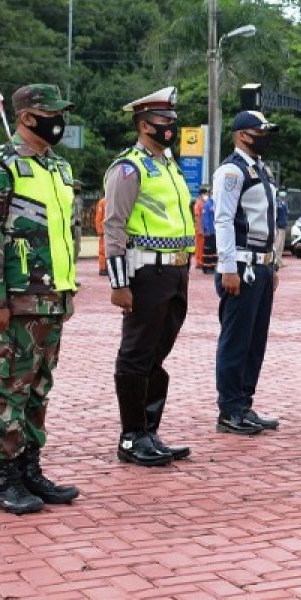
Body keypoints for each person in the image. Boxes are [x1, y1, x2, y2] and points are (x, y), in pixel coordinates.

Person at [0, 83, 80, 514]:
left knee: (38, 388)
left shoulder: (58, 169)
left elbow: (66, 233)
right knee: (8, 388)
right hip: (16, 301)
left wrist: (68, 290)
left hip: (51, 298)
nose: (58, 121)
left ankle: (30, 470)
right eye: (50, 114)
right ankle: (5, 480)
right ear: (26, 117)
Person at [103, 87, 195, 467]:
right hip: (146, 270)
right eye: (163, 122)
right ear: (143, 124)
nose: (170, 128)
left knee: (158, 353)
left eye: (173, 122)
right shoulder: (129, 167)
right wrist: (119, 283)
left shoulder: (168, 165)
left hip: (175, 270)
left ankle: (149, 431)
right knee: (137, 353)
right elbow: (114, 226)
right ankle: (131, 437)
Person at [212, 110, 281, 435]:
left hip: (261, 265)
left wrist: (274, 264)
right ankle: (229, 409)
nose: (265, 136)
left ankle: (245, 403)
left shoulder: (260, 169)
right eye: (260, 131)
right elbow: (223, 219)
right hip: (240, 265)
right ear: (242, 134)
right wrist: (227, 268)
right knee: (236, 340)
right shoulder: (231, 171)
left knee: (255, 341)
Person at [200, 190, 217, 273]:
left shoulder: (215, 203)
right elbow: (205, 217)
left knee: (214, 249)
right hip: (209, 230)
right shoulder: (207, 204)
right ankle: (206, 267)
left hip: (215, 230)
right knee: (208, 250)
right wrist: (206, 229)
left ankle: (213, 266)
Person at [194, 186, 210, 269]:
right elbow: (197, 217)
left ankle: (201, 261)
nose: (206, 195)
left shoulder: (204, 203)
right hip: (199, 228)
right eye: (205, 193)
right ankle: (198, 261)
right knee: (199, 246)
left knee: (203, 245)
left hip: (204, 228)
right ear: (201, 194)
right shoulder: (198, 203)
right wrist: (199, 228)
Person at [71, 181, 85, 261]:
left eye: (79, 187)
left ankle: (74, 261)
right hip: (71, 224)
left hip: (78, 225)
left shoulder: (80, 200)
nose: (78, 188)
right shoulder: (69, 197)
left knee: (77, 246)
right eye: (76, 187)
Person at [95, 196, 108, 276]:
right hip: (104, 231)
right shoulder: (102, 202)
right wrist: (100, 230)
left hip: (110, 230)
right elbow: (98, 217)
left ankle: (107, 267)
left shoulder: (107, 201)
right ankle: (103, 268)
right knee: (103, 251)